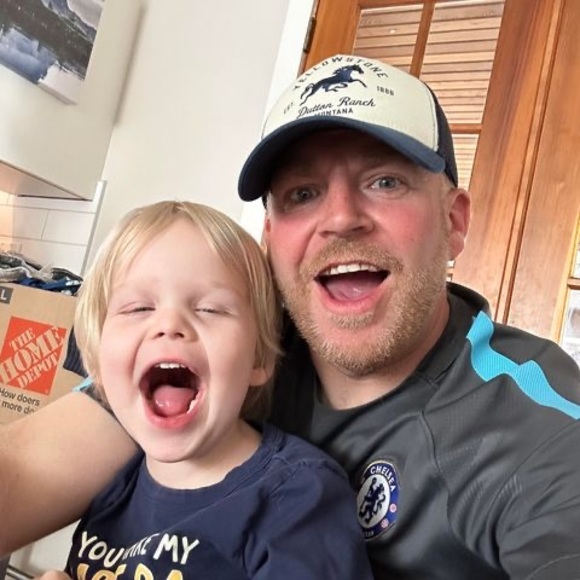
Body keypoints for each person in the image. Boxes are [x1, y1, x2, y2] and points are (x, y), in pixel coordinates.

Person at [2, 54, 580, 579]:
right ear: (270, 239)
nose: (341, 218)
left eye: (385, 181)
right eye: (302, 193)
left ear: (453, 222)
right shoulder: (223, 347)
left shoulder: (541, 431)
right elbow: (24, 469)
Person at [49, 200, 373, 579]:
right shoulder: (116, 487)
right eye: (137, 308)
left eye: (210, 309)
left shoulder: (298, 497)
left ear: (258, 359)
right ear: (98, 363)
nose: (169, 324)